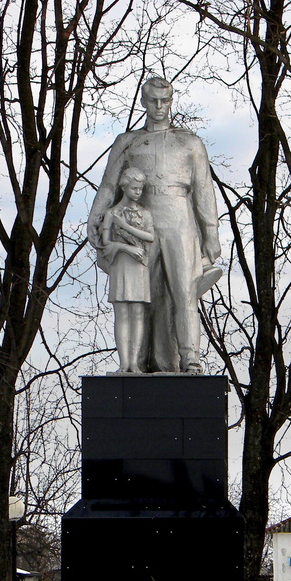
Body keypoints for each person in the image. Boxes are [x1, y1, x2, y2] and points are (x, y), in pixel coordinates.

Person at [88, 77, 221, 373]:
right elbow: (110, 185)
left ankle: (191, 360)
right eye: (153, 101)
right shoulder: (127, 142)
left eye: (165, 101)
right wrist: (96, 217)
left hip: (179, 219)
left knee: (185, 291)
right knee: (142, 295)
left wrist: (211, 233)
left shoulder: (190, 142)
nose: (159, 107)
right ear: (144, 102)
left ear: (171, 101)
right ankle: (136, 363)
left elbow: (203, 189)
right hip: (140, 221)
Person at [99, 168, 155, 372]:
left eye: (141, 188)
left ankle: (135, 363)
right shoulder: (111, 213)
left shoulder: (146, 213)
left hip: (139, 265)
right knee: (122, 312)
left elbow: (150, 237)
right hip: (121, 263)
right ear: (125, 187)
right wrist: (125, 247)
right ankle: (124, 364)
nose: (138, 192)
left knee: (138, 312)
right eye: (134, 188)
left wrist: (125, 226)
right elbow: (106, 242)